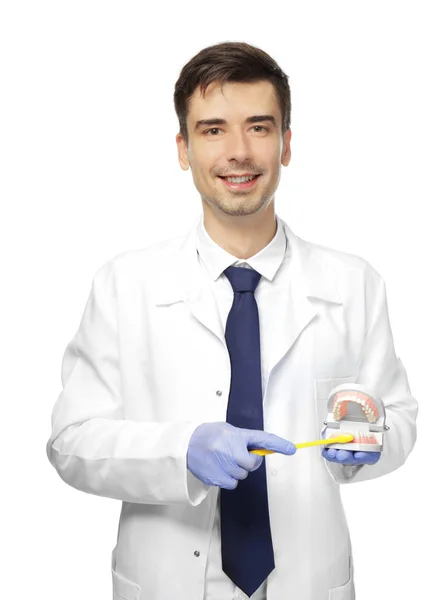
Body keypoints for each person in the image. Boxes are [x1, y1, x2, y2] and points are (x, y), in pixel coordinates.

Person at [46, 41, 418, 600]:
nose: (238, 152)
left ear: (287, 143)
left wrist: (375, 442)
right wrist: (183, 450)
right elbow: (71, 442)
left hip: (309, 577)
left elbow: (397, 415)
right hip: (166, 579)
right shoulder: (124, 285)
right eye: (214, 129)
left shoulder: (353, 284)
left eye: (260, 128)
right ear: (184, 148)